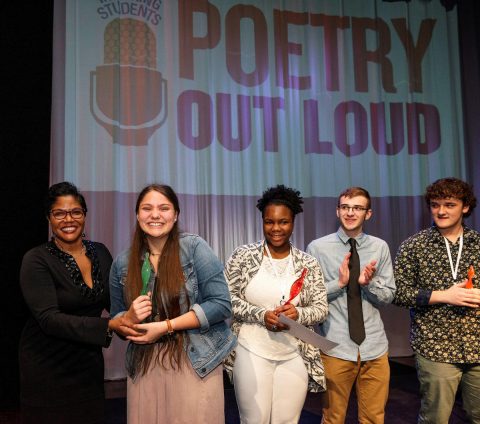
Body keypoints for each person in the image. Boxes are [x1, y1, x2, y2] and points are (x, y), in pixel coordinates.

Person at [109, 183, 236, 423]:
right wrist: (127, 319)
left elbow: (221, 304)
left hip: (195, 360)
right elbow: (117, 317)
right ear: (137, 215)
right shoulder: (122, 263)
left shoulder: (194, 247)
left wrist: (165, 326)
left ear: (175, 215)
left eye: (164, 208)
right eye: (147, 208)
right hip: (144, 364)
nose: (155, 214)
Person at [19, 181, 124, 424]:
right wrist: (110, 326)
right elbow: (49, 320)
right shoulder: (36, 259)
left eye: (76, 212)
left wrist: (136, 318)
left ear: (84, 215)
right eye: (59, 213)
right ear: (49, 217)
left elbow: (115, 304)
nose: (69, 219)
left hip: (88, 367)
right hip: (46, 368)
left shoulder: (100, 252)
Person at [224, 184, 328, 424]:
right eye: (269, 222)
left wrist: (298, 313)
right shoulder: (243, 256)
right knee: (253, 420)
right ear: (262, 221)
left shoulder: (307, 263)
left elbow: (321, 308)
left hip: (294, 354)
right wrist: (262, 315)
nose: (276, 228)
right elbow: (226, 299)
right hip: (251, 351)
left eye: (283, 222)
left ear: (293, 222)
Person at [393, 177, 480, 423]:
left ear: (465, 207)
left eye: (449, 204)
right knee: (435, 418)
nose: (441, 211)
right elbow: (398, 293)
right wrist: (444, 296)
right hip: (435, 347)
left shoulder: (478, 244)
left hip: (478, 346)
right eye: (435, 204)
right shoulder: (414, 246)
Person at [306, 186, 396, 424]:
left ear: (368, 214)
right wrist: (339, 283)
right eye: (345, 207)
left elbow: (388, 297)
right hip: (336, 347)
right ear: (337, 211)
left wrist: (368, 284)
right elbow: (309, 297)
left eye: (357, 208)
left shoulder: (380, 247)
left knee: (374, 418)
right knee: (333, 418)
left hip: (374, 348)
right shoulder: (318, 248)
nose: (350, 213)